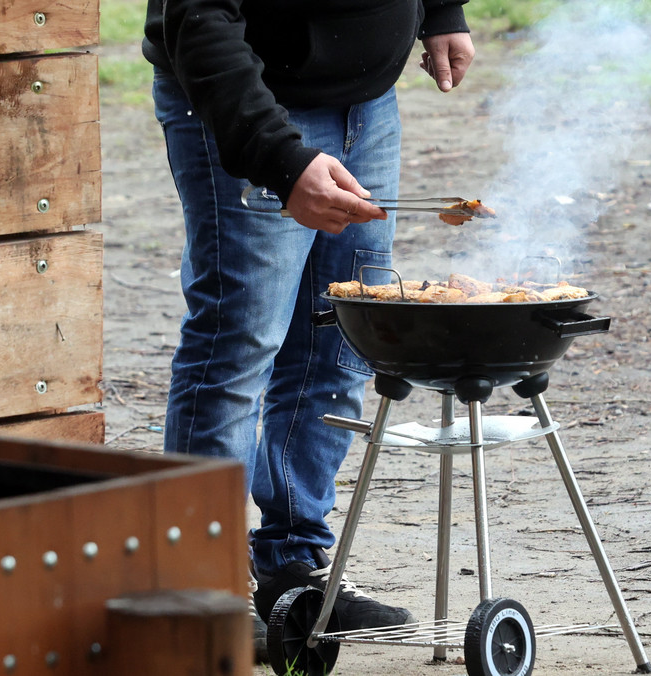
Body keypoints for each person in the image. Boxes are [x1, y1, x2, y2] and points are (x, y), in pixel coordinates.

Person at [141, 0, 476, 651]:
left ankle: (292, 568)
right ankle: (201, 593)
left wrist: (440, 11)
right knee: (237, 344)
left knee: (342, 340)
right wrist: (281, 160)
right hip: (248, 100)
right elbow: (198, 17)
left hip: (368, 106)